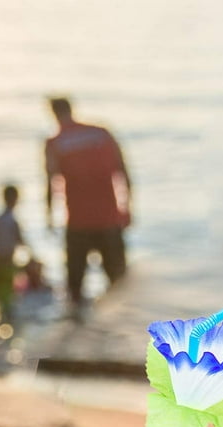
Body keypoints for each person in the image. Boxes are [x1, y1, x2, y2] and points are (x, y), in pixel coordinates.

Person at [44, 97, 132, 310]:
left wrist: (49, 216)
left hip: (78, 224)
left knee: (75, 291)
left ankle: (78, 331)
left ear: (54, 113)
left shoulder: (55, 143)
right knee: (120, 286)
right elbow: (123, 172)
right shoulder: (102, 133)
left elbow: (50, 184)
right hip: (110, 220)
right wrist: (128, 209)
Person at [0, 184, 41, 323]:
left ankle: (0, 319)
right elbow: (23, 242)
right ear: (16, 199)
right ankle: (7, 319)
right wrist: (33, 257)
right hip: (9, 263)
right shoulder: (13, 222)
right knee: (8, 294)